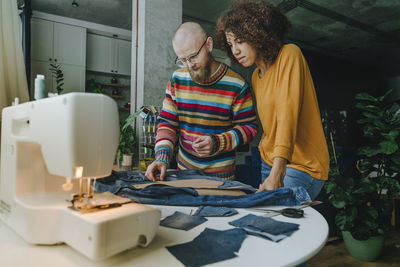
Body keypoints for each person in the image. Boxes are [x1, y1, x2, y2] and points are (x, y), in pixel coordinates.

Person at [215, 1, 329, 200]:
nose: (235, 51)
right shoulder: (255, 77)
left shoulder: (289, 55)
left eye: (240, 41)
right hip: (269, 161)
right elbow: (271, 126)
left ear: (258, 34)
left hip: (302, 165)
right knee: (266, 221)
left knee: (280, 223)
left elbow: (287, 116)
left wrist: (278, 172)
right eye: (231, 44)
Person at [145, 22, 258, 181]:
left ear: (209, 45)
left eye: (193, 56)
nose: (190, 65)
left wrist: (218, 142)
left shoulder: (237, 85)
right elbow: (168, 123)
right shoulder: (177, 79)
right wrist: (161, 158)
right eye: (183, 60)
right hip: (184, 175)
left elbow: (249, 128)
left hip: (222, 180)